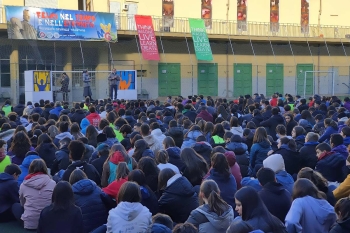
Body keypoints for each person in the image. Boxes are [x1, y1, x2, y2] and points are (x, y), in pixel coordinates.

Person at [12, 159, 56, 230]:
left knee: (15, 206)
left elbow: (22, 203)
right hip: (47, 222)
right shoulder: (53, 183)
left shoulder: (24, 185)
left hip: (30, 224)